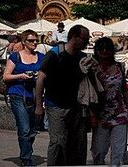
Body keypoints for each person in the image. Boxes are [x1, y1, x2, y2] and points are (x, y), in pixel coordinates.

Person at [35, 24, 91, 166]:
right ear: (74, 37)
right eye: (85, 39)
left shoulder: (82, 57)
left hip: (76, 107)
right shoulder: (55, 54)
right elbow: (41, 78)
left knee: (77, 143)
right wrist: (38, 105)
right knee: (58, 142)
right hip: (55, 106)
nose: (87, 42)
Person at [2, 29, 44, 166]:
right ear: (24, 42)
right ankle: (26, 158)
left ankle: (26, 151)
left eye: (36, 40)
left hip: (35, 95)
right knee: (24, 128)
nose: (34, 43)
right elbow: (6, 76)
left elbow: (47, 75)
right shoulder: (16, 57)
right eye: (31, 40)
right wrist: (21, 75)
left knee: (33, 129)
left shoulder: (41, 57)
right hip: (17, 93)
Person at [89, 37, 128, 167]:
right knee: (99, 151)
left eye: (107, 48)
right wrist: (92, 114)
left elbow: (124, 89)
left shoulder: (119, 66)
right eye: (101, 48)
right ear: (96, 50)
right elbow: (88, 93)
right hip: (100, 113)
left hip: (120, 112)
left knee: (118, 150)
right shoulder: (92, 68)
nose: (104, 51)